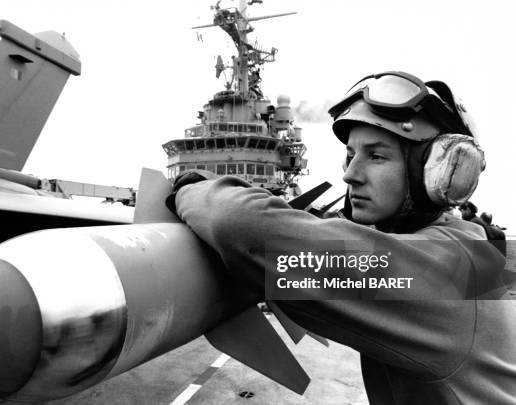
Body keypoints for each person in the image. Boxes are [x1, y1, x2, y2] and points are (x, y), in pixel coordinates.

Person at [167, 72, 516, 404]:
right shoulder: (459, 251)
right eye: (350, 156)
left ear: (437, 172)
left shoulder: (447, 274)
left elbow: (239, 225)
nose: (350, 175)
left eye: (376, 156)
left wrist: (192, 186)